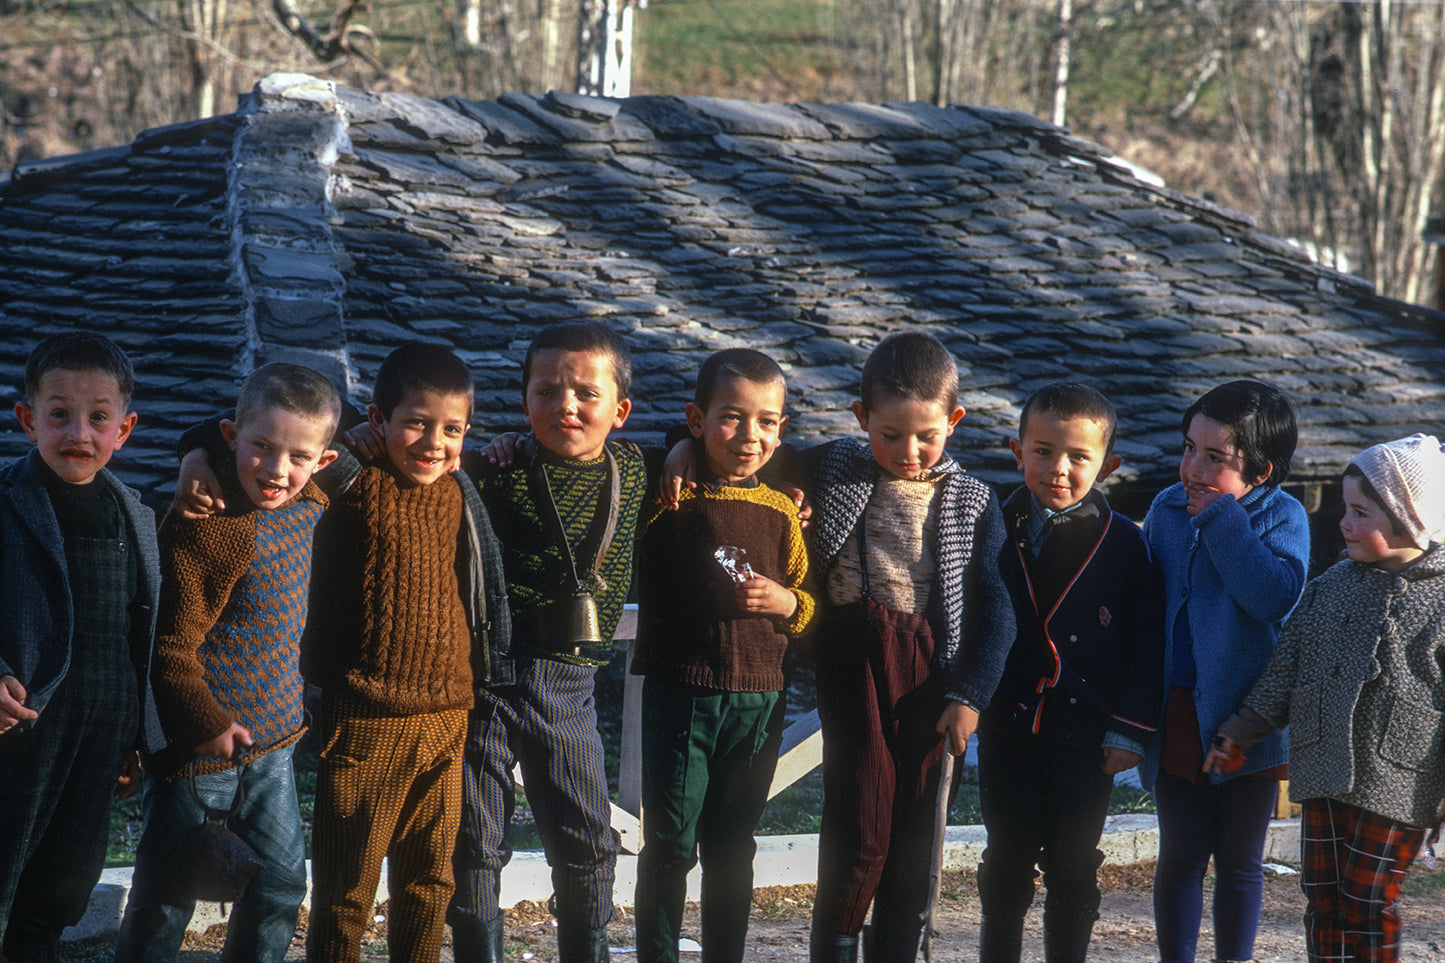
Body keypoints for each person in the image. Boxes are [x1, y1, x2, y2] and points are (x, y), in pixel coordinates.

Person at [176, 341, 512, 963]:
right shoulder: (346, 478)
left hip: (447, 717)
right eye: (416, 423)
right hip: (365, 719)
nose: (433, 443)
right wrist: (196, 453)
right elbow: (267, 435)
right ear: (377, 421)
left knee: (430, 880)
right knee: (347, 889)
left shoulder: (462, 486)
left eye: (452, 429)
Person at [799, 331, 1015, 963]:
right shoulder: (833, 465)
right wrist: (679, 457)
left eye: (927, 435)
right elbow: (742, 453)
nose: (908, 451)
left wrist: (971, 694)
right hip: (853, 661)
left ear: (954, 421)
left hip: (931, 673)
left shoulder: (973, 501)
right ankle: (835, 942)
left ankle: (899, 948)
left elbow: (999, 611)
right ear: (862, 418)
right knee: (862, 815)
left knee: (919, 824)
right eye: (889, 434)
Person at [116, 362, 341, 962]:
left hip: (275, 743)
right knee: (169, 892)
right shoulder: (206, 527)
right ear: (231, 436)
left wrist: (194, 447)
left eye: (297, 456)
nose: (276, 469)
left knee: (281, 883)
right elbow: (166, 645)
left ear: (323, 462)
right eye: (261, 447)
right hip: (199, 750)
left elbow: (380, 444)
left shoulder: (314, 499)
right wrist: (205, 723)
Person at [449, 321, 659, 963]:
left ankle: (588, 949)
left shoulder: (639, 470)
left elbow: (753, 445)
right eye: (547, 391)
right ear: (523, 404)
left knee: (588, 836)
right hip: (486, 679)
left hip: (569, 688)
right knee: (476, 839)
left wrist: (682, 457)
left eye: (585, 394)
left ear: (620, 411)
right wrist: (202, 449)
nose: (566, 406)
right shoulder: (494, 471)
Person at [1205, 434, 1445, 963]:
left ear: (1410, 520)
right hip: (1321, 772)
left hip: (1400, 782)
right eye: (1345, 508)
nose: (1343, 523)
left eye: (1361, 513)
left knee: (1367, 898)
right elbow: (1284, 670)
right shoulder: (1330, 587)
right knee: (1324, 896)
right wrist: (1241, 729)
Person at [631, 348, 818, 963]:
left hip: (761, 698)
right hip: (683, 693)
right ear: (696, 419)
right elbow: (624, 455)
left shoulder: (785, 508)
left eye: (767, 421)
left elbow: (810, 600)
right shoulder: (669, 494)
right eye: (731, 418)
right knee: (670, 841)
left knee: (734, 845)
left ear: (783, 429)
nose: (749, 435)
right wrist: (675, 451)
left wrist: (789, 602)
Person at [976, 382, 1164, 963]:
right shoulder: (988, 525)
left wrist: (1129, 729)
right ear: (1017, 450)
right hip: (1008, 728)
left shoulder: (1129, 547)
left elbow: (1148, 644)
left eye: (1079, 456)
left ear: (1108, 465)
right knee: (1005, 860)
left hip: (1087, 736)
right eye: (1043, 451)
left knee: (1074, 864)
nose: (1059, 468)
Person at [0, 333, 162, 962]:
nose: (79, 433)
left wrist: (137, 738)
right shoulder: (9, 502)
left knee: (64, 882)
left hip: (101, 735)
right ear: (26, 418)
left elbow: (140, 633)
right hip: (20, 732)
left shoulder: (135, 515)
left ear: (123, 429)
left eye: (99, 418)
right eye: (59, 413)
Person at [1140, 379, 1310, 963]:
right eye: (1189, 447)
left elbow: (1274, 597)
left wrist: (1223, 522)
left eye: (1216, 458)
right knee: (1182, 854)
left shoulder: (1282, 517)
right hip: (1179, 710)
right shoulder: (1164, 510)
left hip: (1247, 720)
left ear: (1260, 473)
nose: (1193, 468)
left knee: (1240, 859)